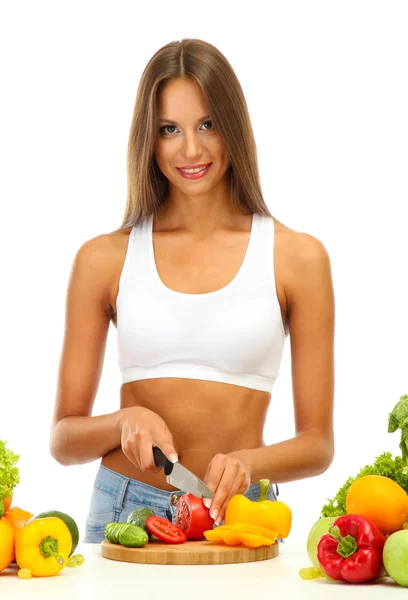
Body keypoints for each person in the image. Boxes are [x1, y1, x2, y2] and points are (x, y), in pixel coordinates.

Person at [49, 38, 335, 543]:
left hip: (242, 515)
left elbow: (318, 444)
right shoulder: (102, 259)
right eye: (169, 130)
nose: (190, 150)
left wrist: (252, 462)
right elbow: (64, 440)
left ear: (233, 126)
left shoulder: (298, 257)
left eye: (207, 124)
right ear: (149, 139)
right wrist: (124, 421)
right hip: (126, 510)